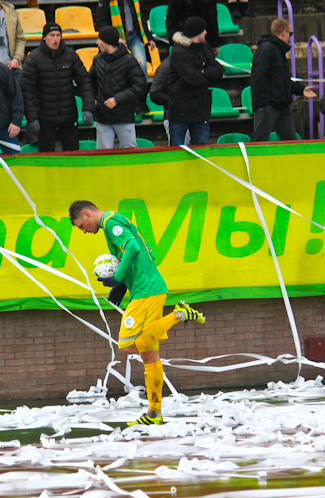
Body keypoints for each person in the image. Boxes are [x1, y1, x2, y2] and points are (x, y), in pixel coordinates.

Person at [69, 200, 206, 426]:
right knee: (149, 358)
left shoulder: (110, 221)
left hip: (145, 291)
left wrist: (118, 277)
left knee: (127, 345)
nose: (84, 231)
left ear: (86, 213)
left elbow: (133, 247)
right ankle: (154, 413)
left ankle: (180, 314)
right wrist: (122, 286)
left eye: (81, 226)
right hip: (148, 289)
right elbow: (146, 251)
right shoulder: (114, 222)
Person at [21, 22, 94, 153]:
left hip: (68, 115)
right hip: (45, 117)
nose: (55, 39)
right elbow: (27, 90)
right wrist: (31, 118)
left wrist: (88, 108)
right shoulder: (34, 58)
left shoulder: (70, 55)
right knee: (47, 156)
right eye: (52, 35)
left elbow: (85, 81)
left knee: (72, 155)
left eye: (58, 35)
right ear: (44, 37)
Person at [250, 18, 316, 142]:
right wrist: (263, 104)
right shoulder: (267, 50)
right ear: (284, 33)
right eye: (290, 34)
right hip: (269, 105)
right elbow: (257, 78)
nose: (290, 37)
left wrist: (301, 90)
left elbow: (282, 80)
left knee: (291, 142)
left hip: (281, 105)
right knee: (259, 142)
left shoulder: (275, 50)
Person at [166, 17, 223, 146]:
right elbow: (193, 78)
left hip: (201, 111)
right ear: (197, 32)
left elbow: (219, 70)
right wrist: (207, 73)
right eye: (204, 30)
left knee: (201, 149)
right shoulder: (179, 52)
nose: (206, 33)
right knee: (177, 151)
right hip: (180, 112)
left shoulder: (205, 47)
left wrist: (202, 72)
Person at [90, 26, 146, 149]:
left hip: (124, 116)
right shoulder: (97, 60)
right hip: (103, 117)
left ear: (108, 42)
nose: (97, 42)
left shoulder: (129, 61)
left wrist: (117, 99)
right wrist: (92, 98)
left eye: (100, 39)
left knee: (129, 152)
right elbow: (90, 82)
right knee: (103, 155)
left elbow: (140, 86)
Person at [95, 0, 156, 80]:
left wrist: (149, 38)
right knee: (118, 70)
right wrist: (114, 38)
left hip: (134, 36)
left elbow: (141, 18)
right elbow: (101, 22)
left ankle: (142, 88)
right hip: (115, 41)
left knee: (141, 64)